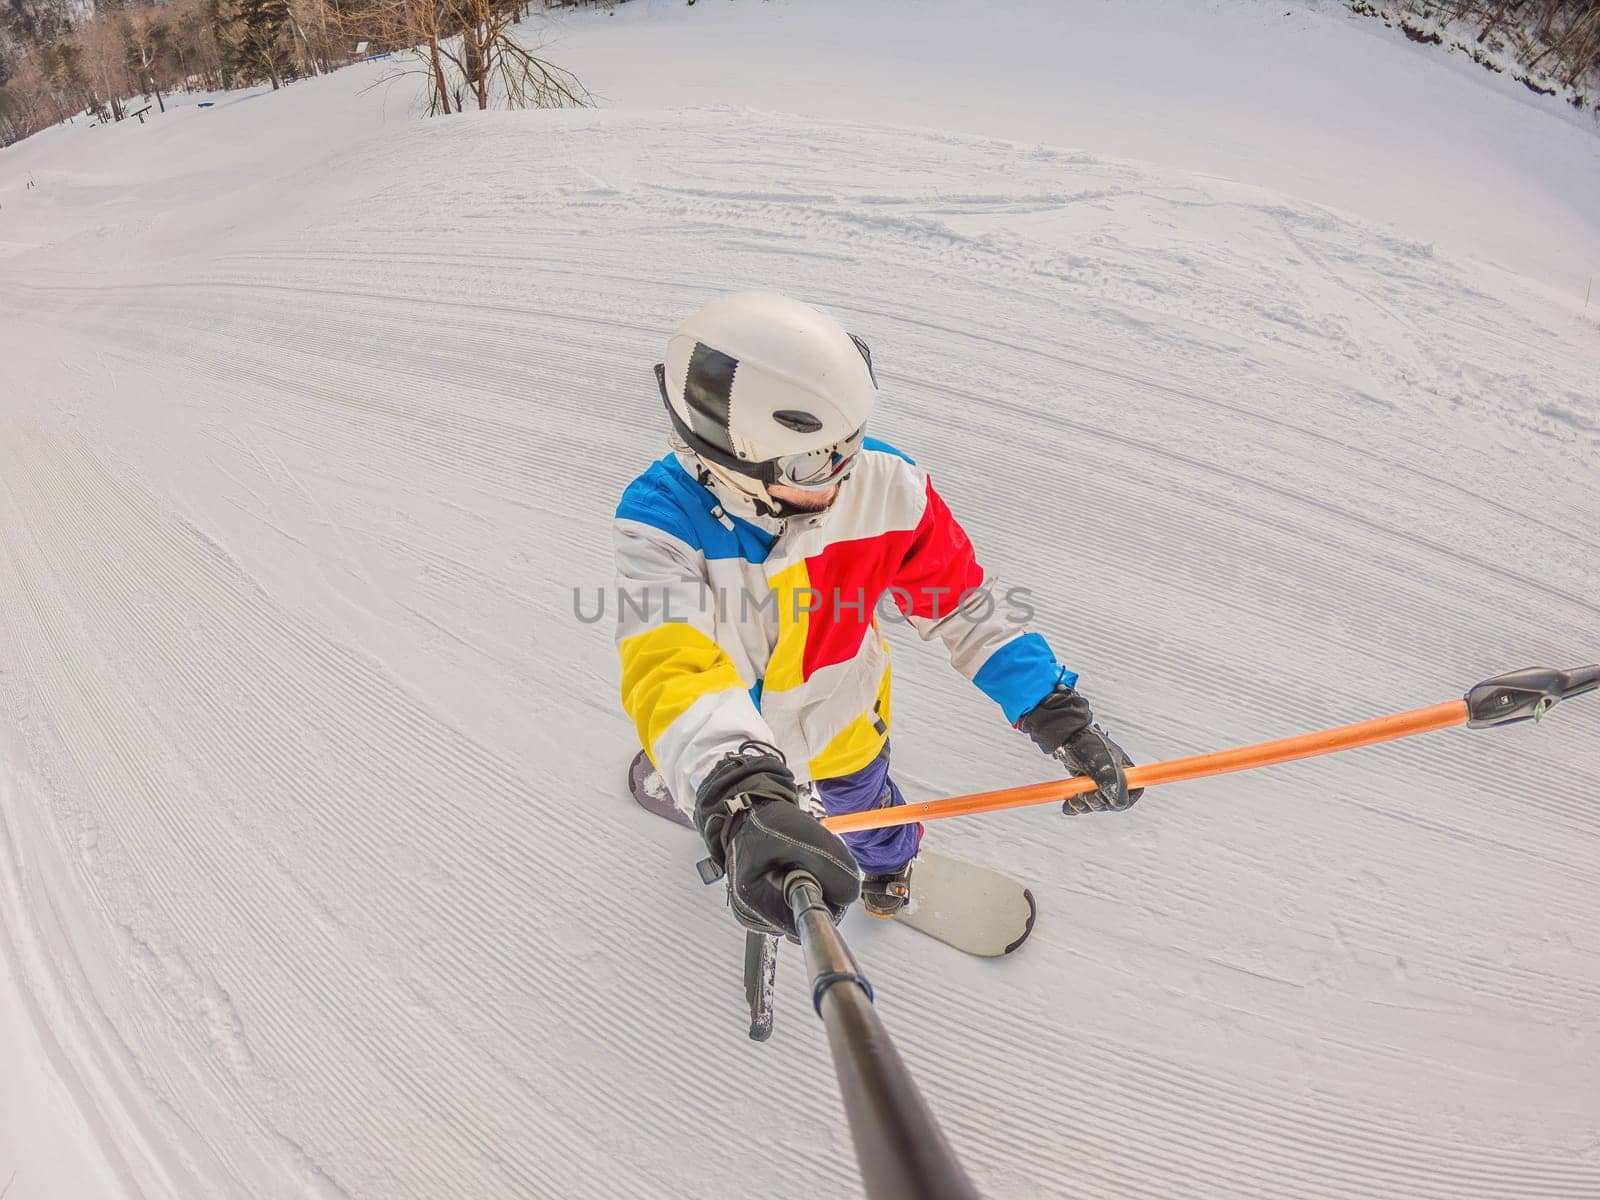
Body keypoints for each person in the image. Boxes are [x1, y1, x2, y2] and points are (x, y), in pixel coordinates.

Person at [614, 292, 1140, 939]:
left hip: (841, 710)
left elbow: (962, 604)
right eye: (813, 459)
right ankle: (719, 787)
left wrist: (1055, 714)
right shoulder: (663, 519)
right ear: (728, 456)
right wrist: (738, 785)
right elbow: (673, 664)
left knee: (866, 801)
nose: (840, 475)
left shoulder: (886, 486)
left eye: (849, 442)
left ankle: (886, 871)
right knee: (709, 758)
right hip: (736, 720)